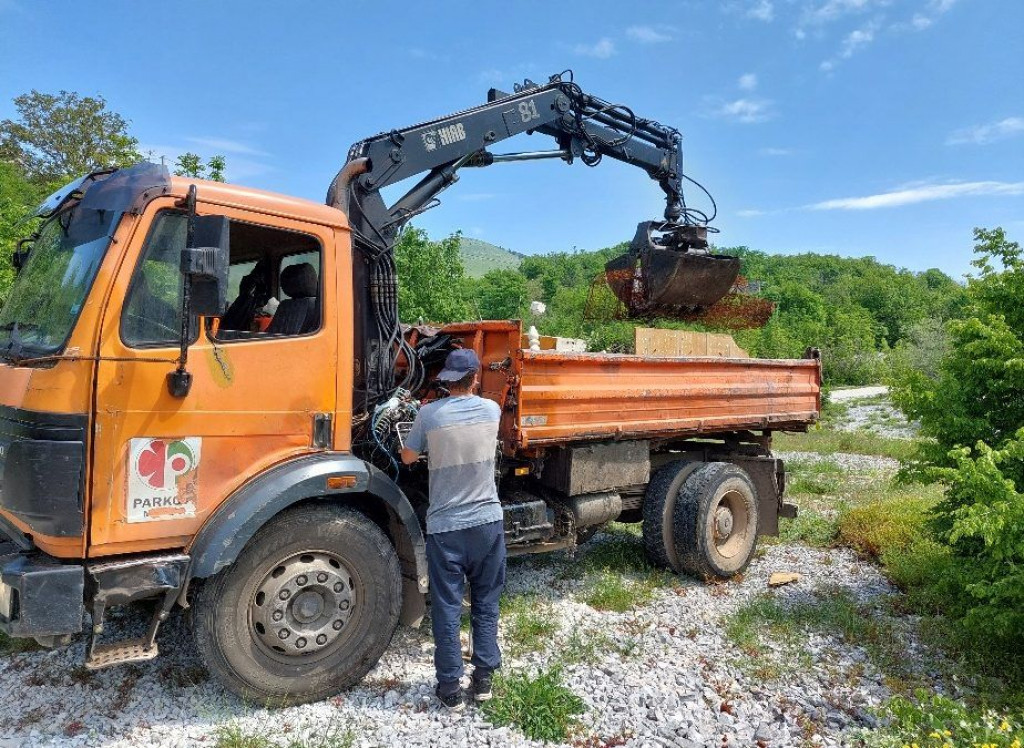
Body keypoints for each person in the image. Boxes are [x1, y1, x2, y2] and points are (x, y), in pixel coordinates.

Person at [401, 348, 506, 711]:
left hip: (446, 527)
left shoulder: (429, 414)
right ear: (475, 378)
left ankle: (449, 689)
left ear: (447, 380)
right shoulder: (491, 411)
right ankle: (483, 682)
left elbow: (408, 457)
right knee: (486, 602)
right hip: (487, 524)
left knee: (447, 607)